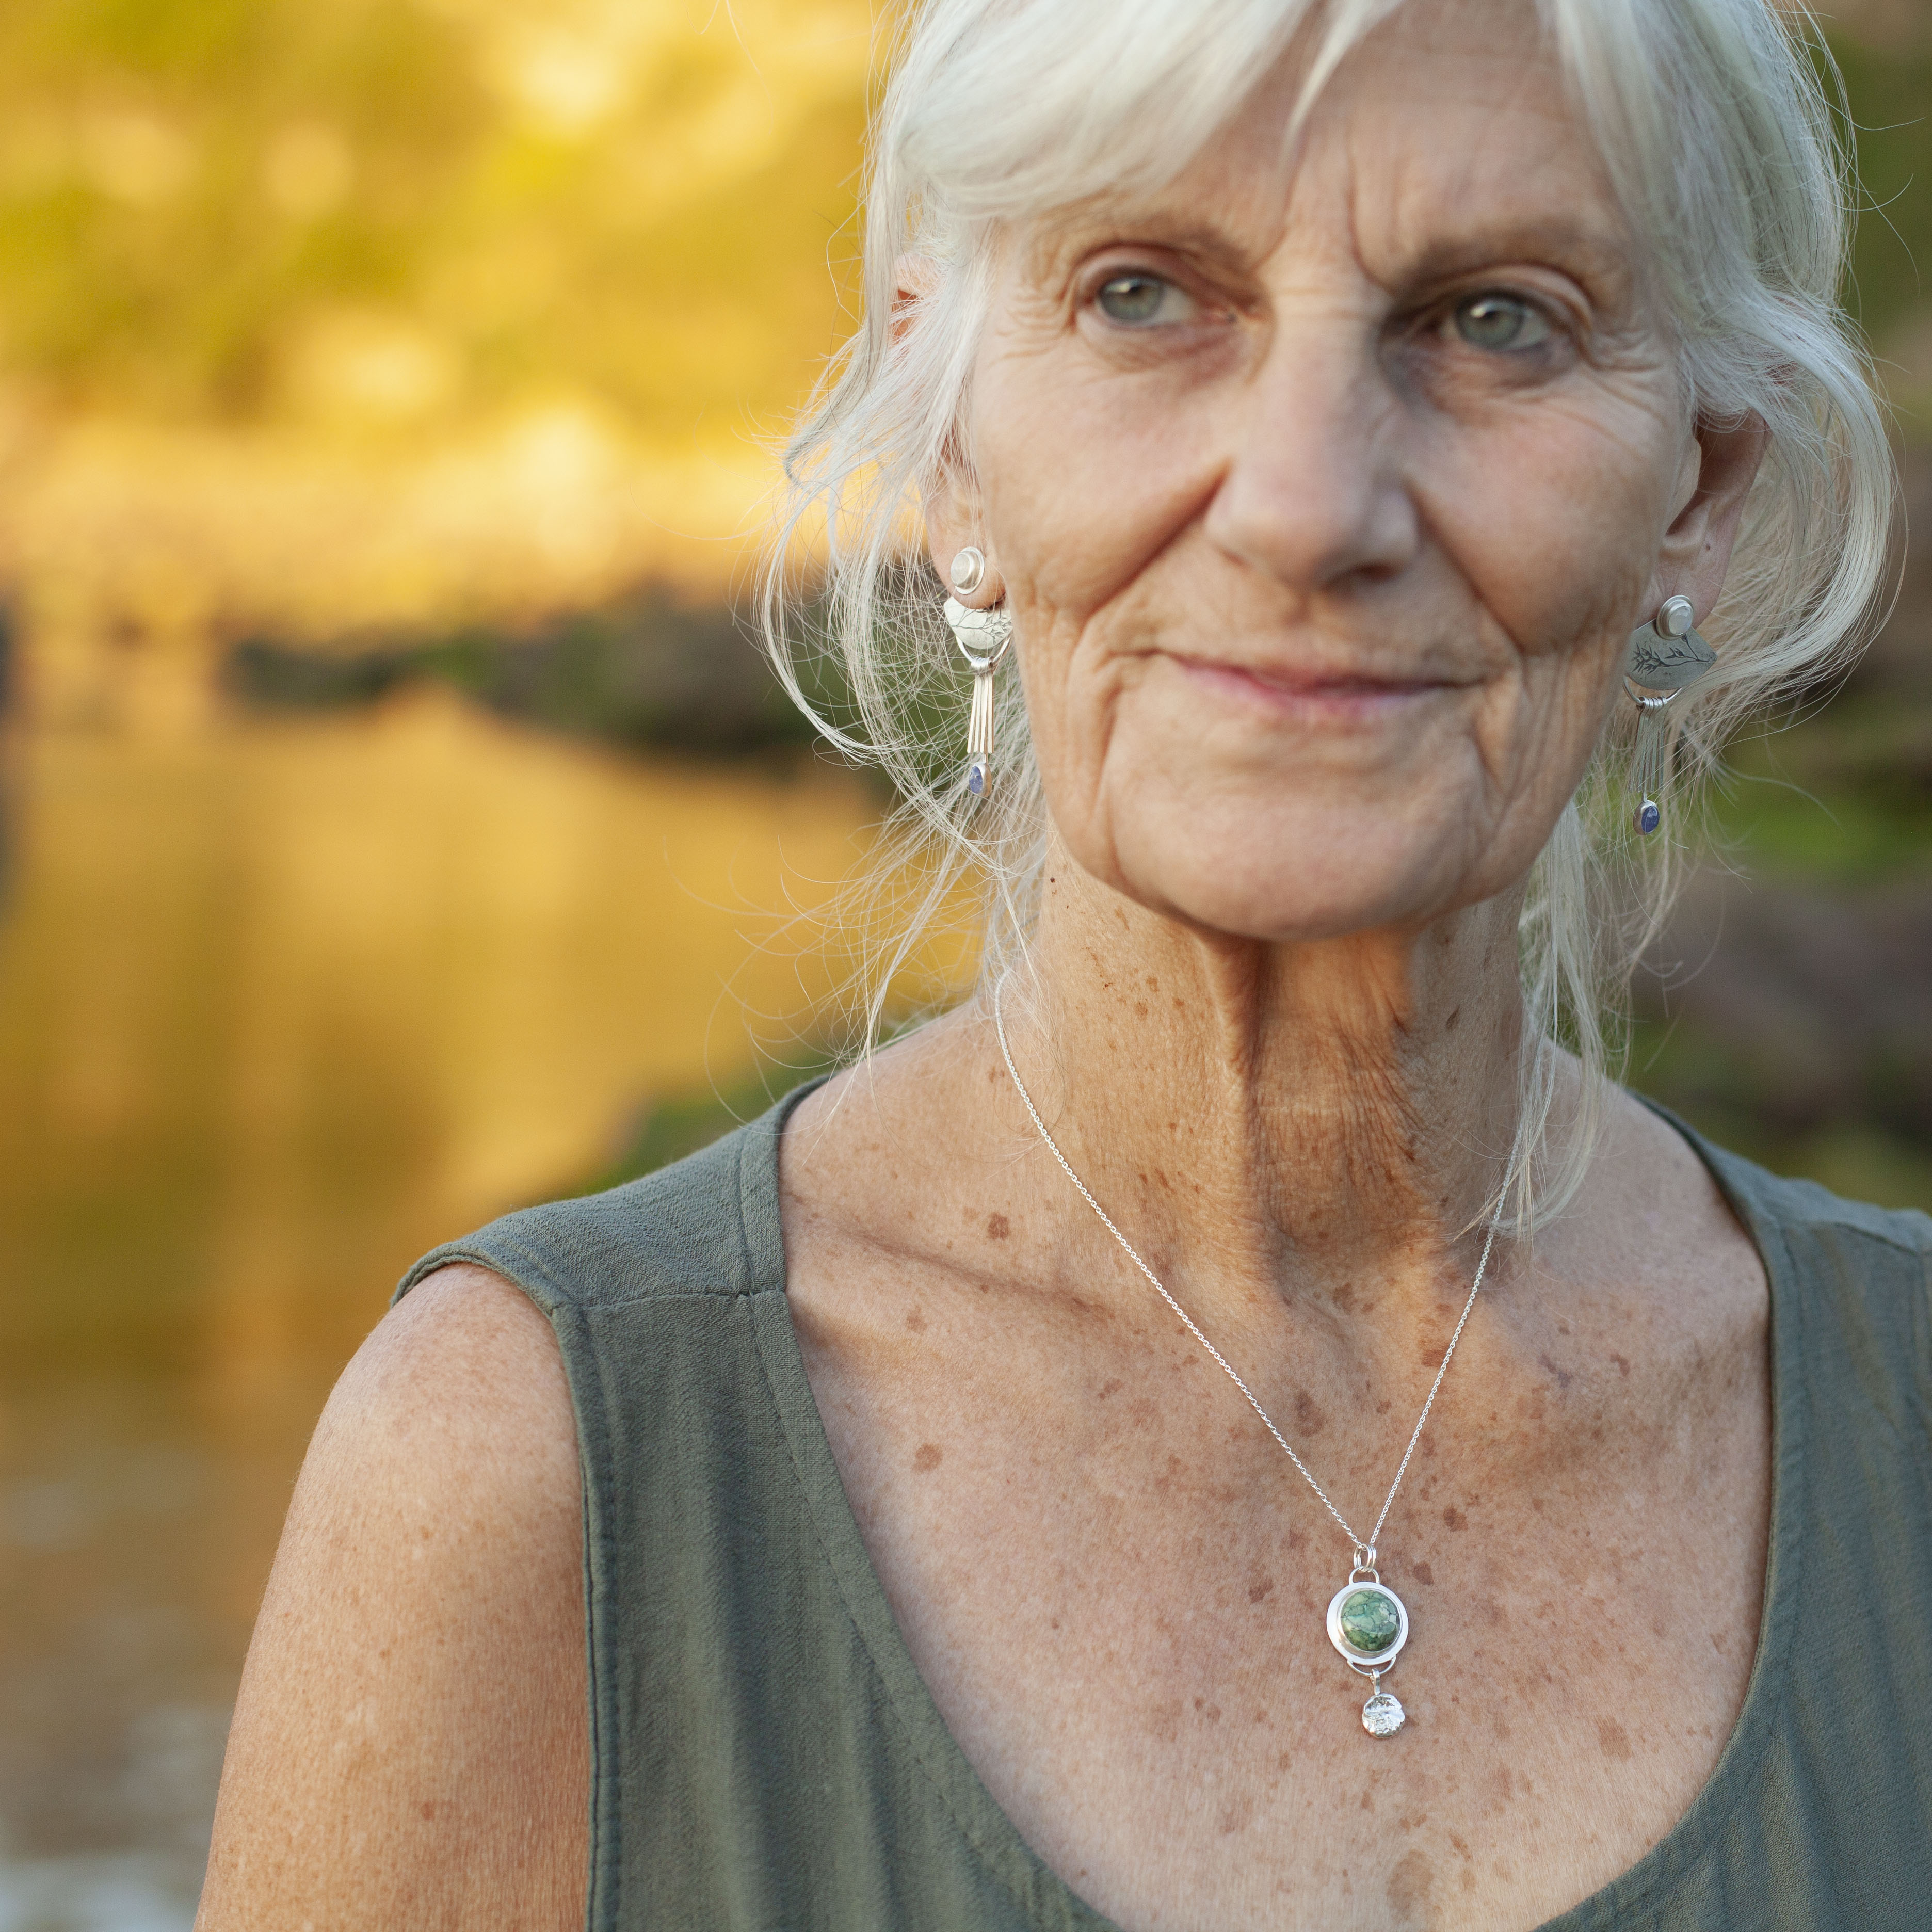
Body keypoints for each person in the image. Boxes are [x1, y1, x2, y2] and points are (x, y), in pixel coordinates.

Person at [196, 0, 1930, 1927]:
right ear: (951, 444)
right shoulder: (529, 1470)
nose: (1302, 505)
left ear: (1697, 484)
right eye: (1143, 296)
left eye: (1494, 318)